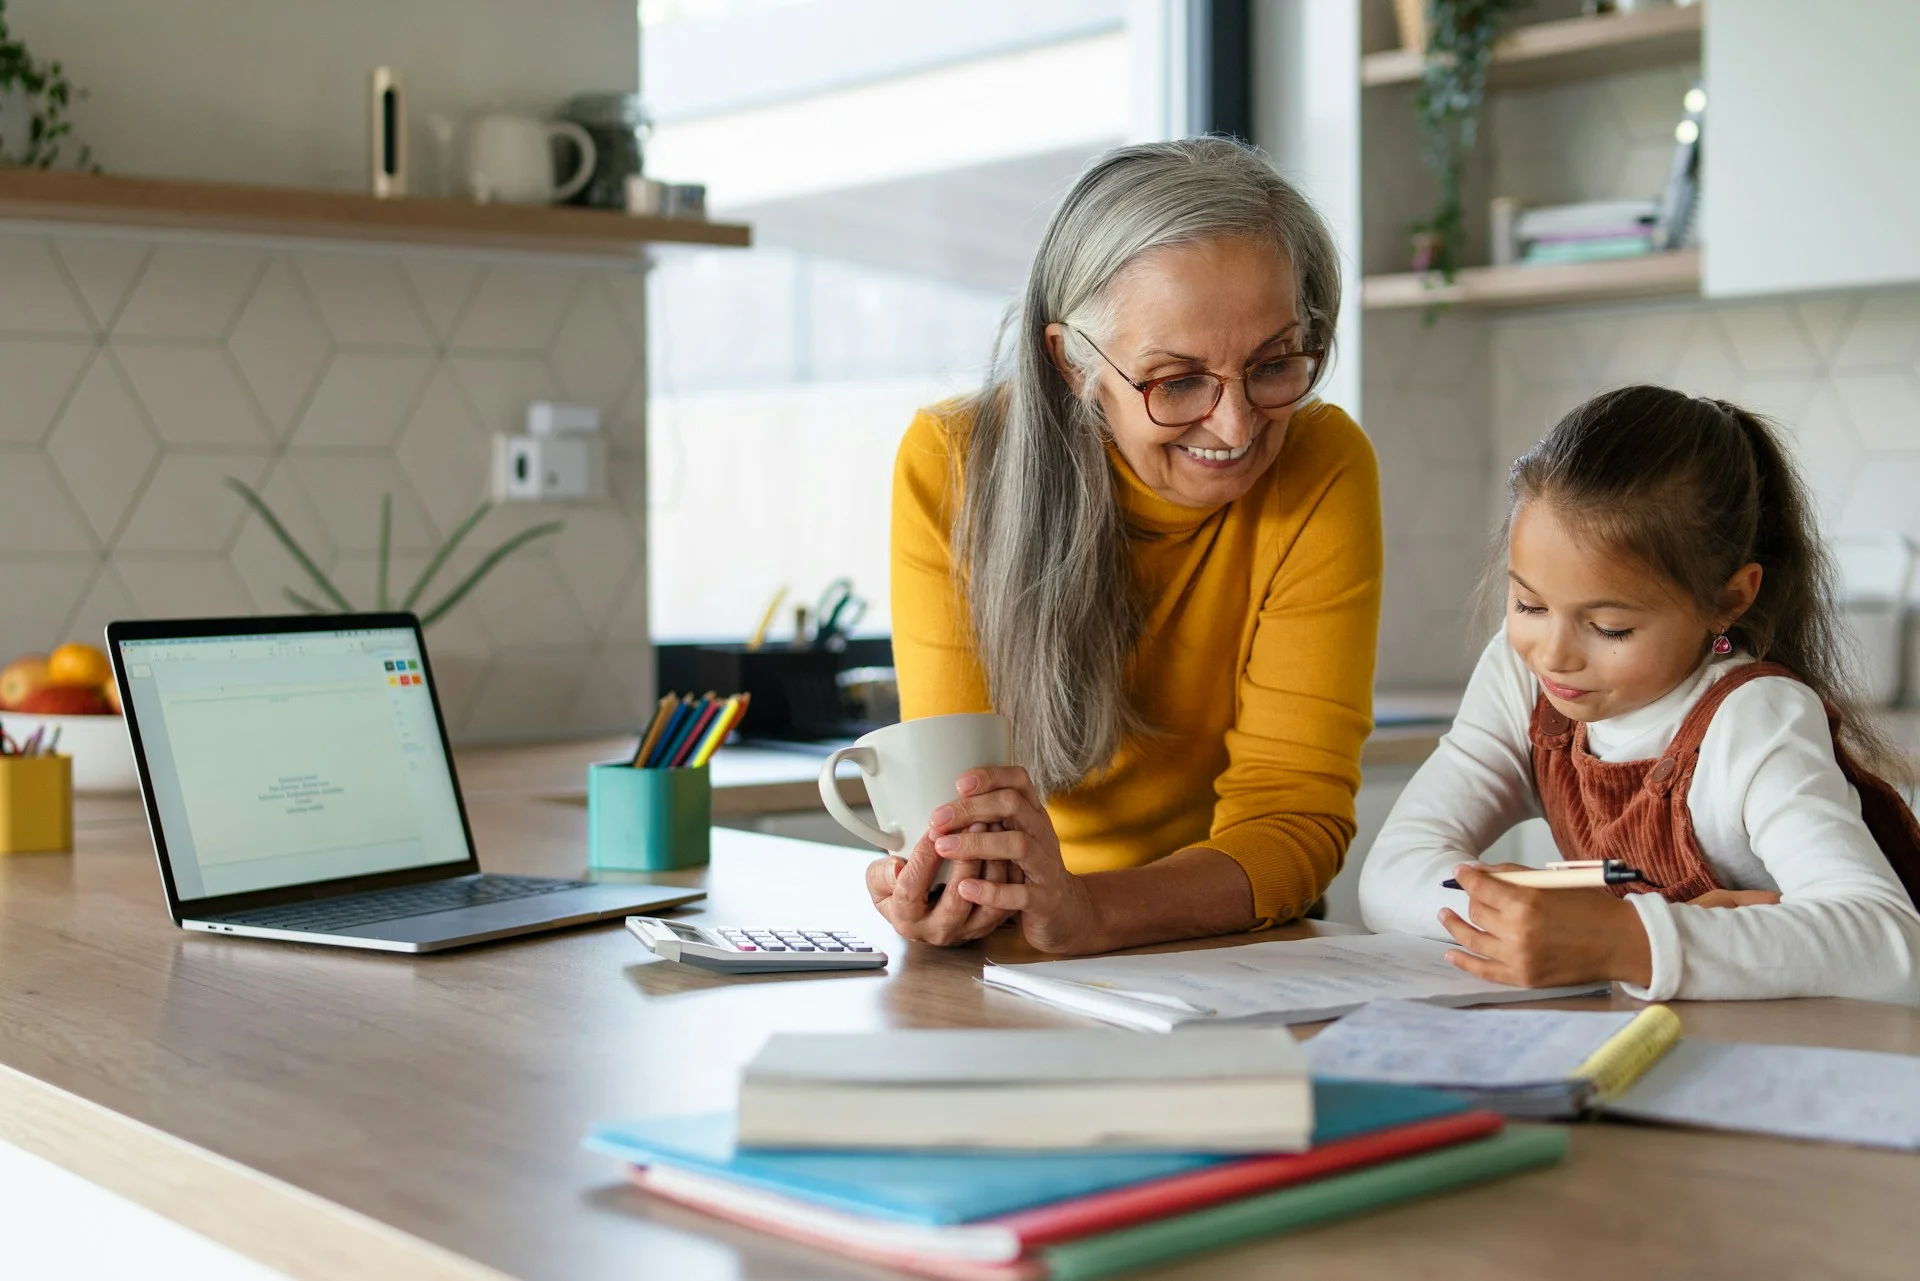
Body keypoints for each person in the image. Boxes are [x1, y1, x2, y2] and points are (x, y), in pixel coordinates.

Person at [868, 137, 1383, 954]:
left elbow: (1293, 814)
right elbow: (960, 798)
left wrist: (1091, 909)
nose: (1238, 425)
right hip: (1023, 942)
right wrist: (942, 880)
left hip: (1233, 941)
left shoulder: (1325, 464)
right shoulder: (954, 463)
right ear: (1073, 363)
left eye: (1274, 364)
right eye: (1177, 382)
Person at [1359, 385, 1920, 1004]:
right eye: (1529, 604)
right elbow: (1391, 870)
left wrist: (1622, 940)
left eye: (1610, 628)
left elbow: (1891, 944)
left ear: (1728, 601)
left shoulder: (1755, 720)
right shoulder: (1525, 680)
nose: (1554, 652)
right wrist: (1526, 918)